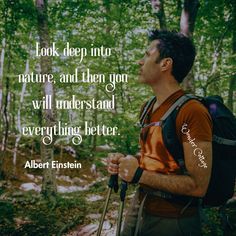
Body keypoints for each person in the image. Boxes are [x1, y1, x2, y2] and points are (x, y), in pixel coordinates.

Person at [107, 30, 213, 236]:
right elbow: (159, 159)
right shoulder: (147, 108)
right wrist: (128, 162)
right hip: (140, 208)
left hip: (174, 220)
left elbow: (198, 186)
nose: (140, 61)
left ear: (165, 64)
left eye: (147, 55)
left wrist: (139, 174)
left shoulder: (192, 112)